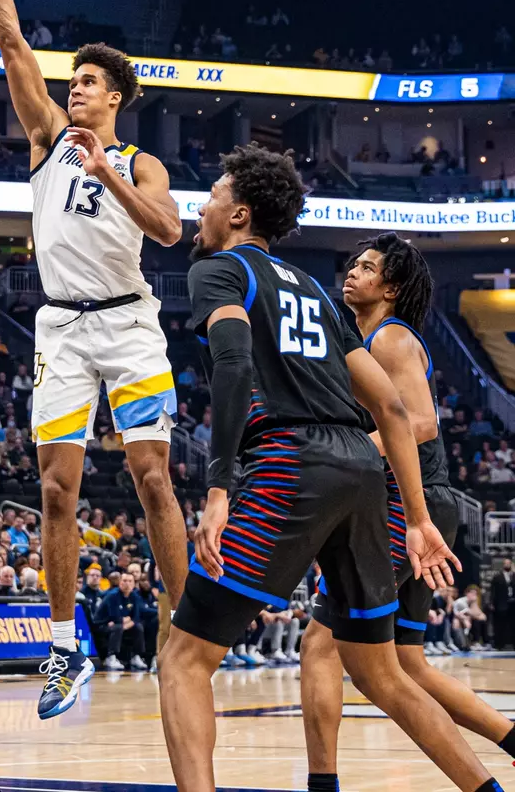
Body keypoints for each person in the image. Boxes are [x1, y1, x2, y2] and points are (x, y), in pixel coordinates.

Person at [157, 143, 499, 792]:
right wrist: (419, 520)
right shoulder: (315, 292)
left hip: (289, 464)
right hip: (360, 474)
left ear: (239, 215)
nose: (201, 207)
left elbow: (231, 366)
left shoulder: (221, 271)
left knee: (184, 657)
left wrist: (219, 487)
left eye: (214, 195)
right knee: (379, 672)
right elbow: (392, 411)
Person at [0, 0, 187, 720]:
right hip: (60, 326)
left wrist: (107, 176)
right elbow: (12, 39)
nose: (76, 89)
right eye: (74, 81)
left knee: (153, 475)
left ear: (116, 97)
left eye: (88, 82)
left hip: (128, 323)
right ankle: (63, 649)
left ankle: (181, 624)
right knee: (56, 489)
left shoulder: (140, 165)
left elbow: (167, 232)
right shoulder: (48, 141)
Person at [301, 233, 515, 788]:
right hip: (418, 503)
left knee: (321, 642)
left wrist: (344, 453)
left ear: (391, 287)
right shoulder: (363, 335)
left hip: (408, 504)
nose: (352, 271)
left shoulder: (390, 340)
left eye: (367, 267)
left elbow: (419, 424)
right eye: (353, 262)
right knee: (408, 661)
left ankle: (321, 781)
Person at [94, 571, 148, 671]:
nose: (127, 583)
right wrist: (125, 620)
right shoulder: (112, 596)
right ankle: (111, 657)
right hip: (101, 625)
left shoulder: (134, 597)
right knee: (117, 627)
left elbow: (136, 618)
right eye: (124, 581)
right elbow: (115, 617)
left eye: (130, 581)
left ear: (133, 583)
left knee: (138, 627)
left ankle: (136, 656)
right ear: (120, 582)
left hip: (118, 625)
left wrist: (125, 623)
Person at [490, 559, 515, 649]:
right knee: (500, 625)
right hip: (501, 604)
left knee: (513, 625)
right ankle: (499, 644)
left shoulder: (514, 575)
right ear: (503, 565)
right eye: (505, 563)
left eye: (509, 563)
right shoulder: (497, 577)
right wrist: (492, 603)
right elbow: (493, 591)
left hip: (513, 604)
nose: (507, 565)